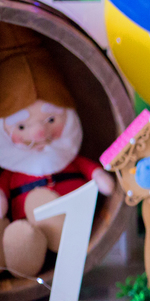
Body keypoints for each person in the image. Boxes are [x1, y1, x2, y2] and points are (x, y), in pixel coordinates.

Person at [0, 23, 114, 278]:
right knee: (20, 234)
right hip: (27, 228)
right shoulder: (12, 171)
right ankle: (21, 252)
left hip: (75, 224)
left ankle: (59, 238)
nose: (39, 133)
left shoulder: (71, 158)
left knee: (43, 205)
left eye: (51, 120)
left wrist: (101, 178)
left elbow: (98, 176)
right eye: (22, 126)